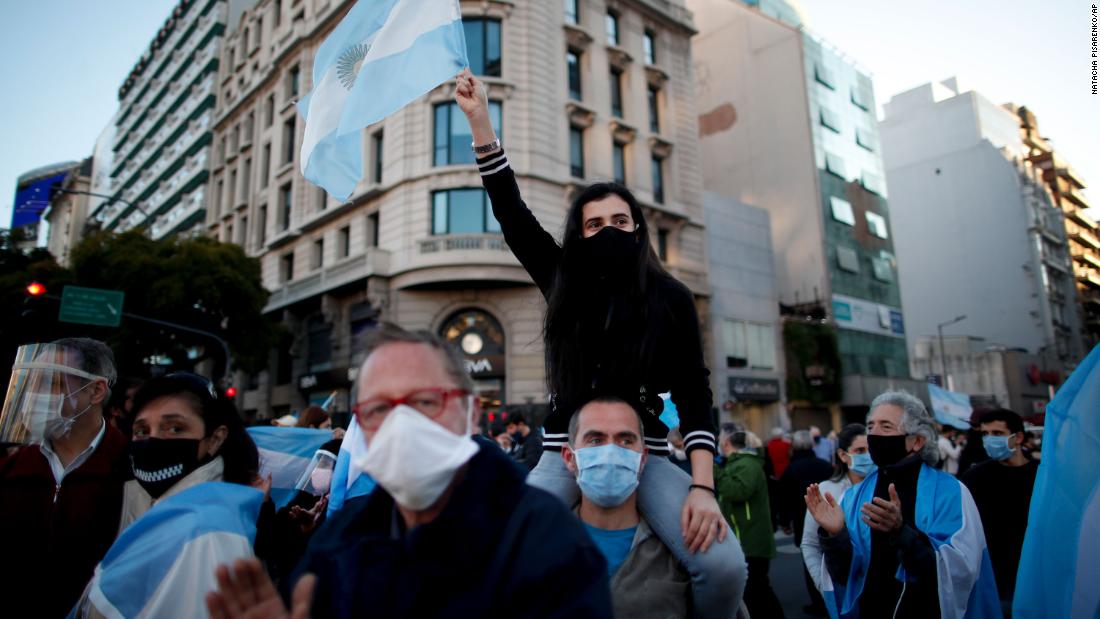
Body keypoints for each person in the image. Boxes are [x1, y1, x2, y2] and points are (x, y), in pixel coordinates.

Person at [454, 69, 745, 619]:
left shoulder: (672, 298)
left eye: (619, 220)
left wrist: (703, 488)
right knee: (498, 552)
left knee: (726, 565)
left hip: (649, 455)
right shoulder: (562, 278)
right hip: (566, 449)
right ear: (577, 235)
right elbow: (512, 213)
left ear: (638, 228)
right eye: (593, 225)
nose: (607, 231)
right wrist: (479, 121)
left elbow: (694, 393)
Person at [207, 323, 611, 618]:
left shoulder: (548, 542)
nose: (401, 424)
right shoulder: (338, 543)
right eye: (379, 409)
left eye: (424, 401)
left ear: (470, 414)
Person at [806, 391, 1001, 618]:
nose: (874, 434)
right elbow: (845, 575)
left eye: (886, 427)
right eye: (870, 426)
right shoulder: (853, 497)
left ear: (917, 441)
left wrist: (901, 532)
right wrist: (835, 535)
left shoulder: (951, 493)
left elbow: (958, 574)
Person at [0, 338, 127, 618]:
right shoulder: (13, 470)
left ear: (96, 391)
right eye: (31, 383)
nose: (34, 395)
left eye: (52, 383)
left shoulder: (131, 472)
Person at [565, 397, 691, 617]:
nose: (611, 452)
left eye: (625, 440)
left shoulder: (682, 551)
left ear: (643, 459)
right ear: (569, 457)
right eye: (595, 440)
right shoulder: (542, 547)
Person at [115, 372, 262, 530]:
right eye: (142, 431)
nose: (153, 440)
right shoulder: (117, 499)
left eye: (175, 428)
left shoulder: (218, 525)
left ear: (215, 439)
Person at [961, 408, 1039, 616]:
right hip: (994, 577)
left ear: (1018, 437)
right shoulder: (974, 478)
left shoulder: (1042, 476)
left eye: (997, 434)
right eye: (985, 434)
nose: (989, 440)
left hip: (1035, 572)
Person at [715, 427, 784, 619]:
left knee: (758, 590)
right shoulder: (741, 463)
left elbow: (737, 492)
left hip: (751, 538)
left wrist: (714, 470)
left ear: (727, 444)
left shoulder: (747, 464)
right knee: (755, 590)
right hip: (746, 536)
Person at [800, 424, 869, 595]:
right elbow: (809, 543)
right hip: (843, 588)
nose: (868, 456)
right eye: (860, 451)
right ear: (843, 455)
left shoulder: (884, 487)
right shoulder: (827, 491)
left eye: (871, 449)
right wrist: (823, 586)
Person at [777, 430, 833, 615]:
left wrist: (784, 521)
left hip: (802, 519)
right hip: (830, 517)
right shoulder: (825, 465)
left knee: (811, 559)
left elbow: (784, 497)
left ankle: (818, 600)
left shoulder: (792, 469)